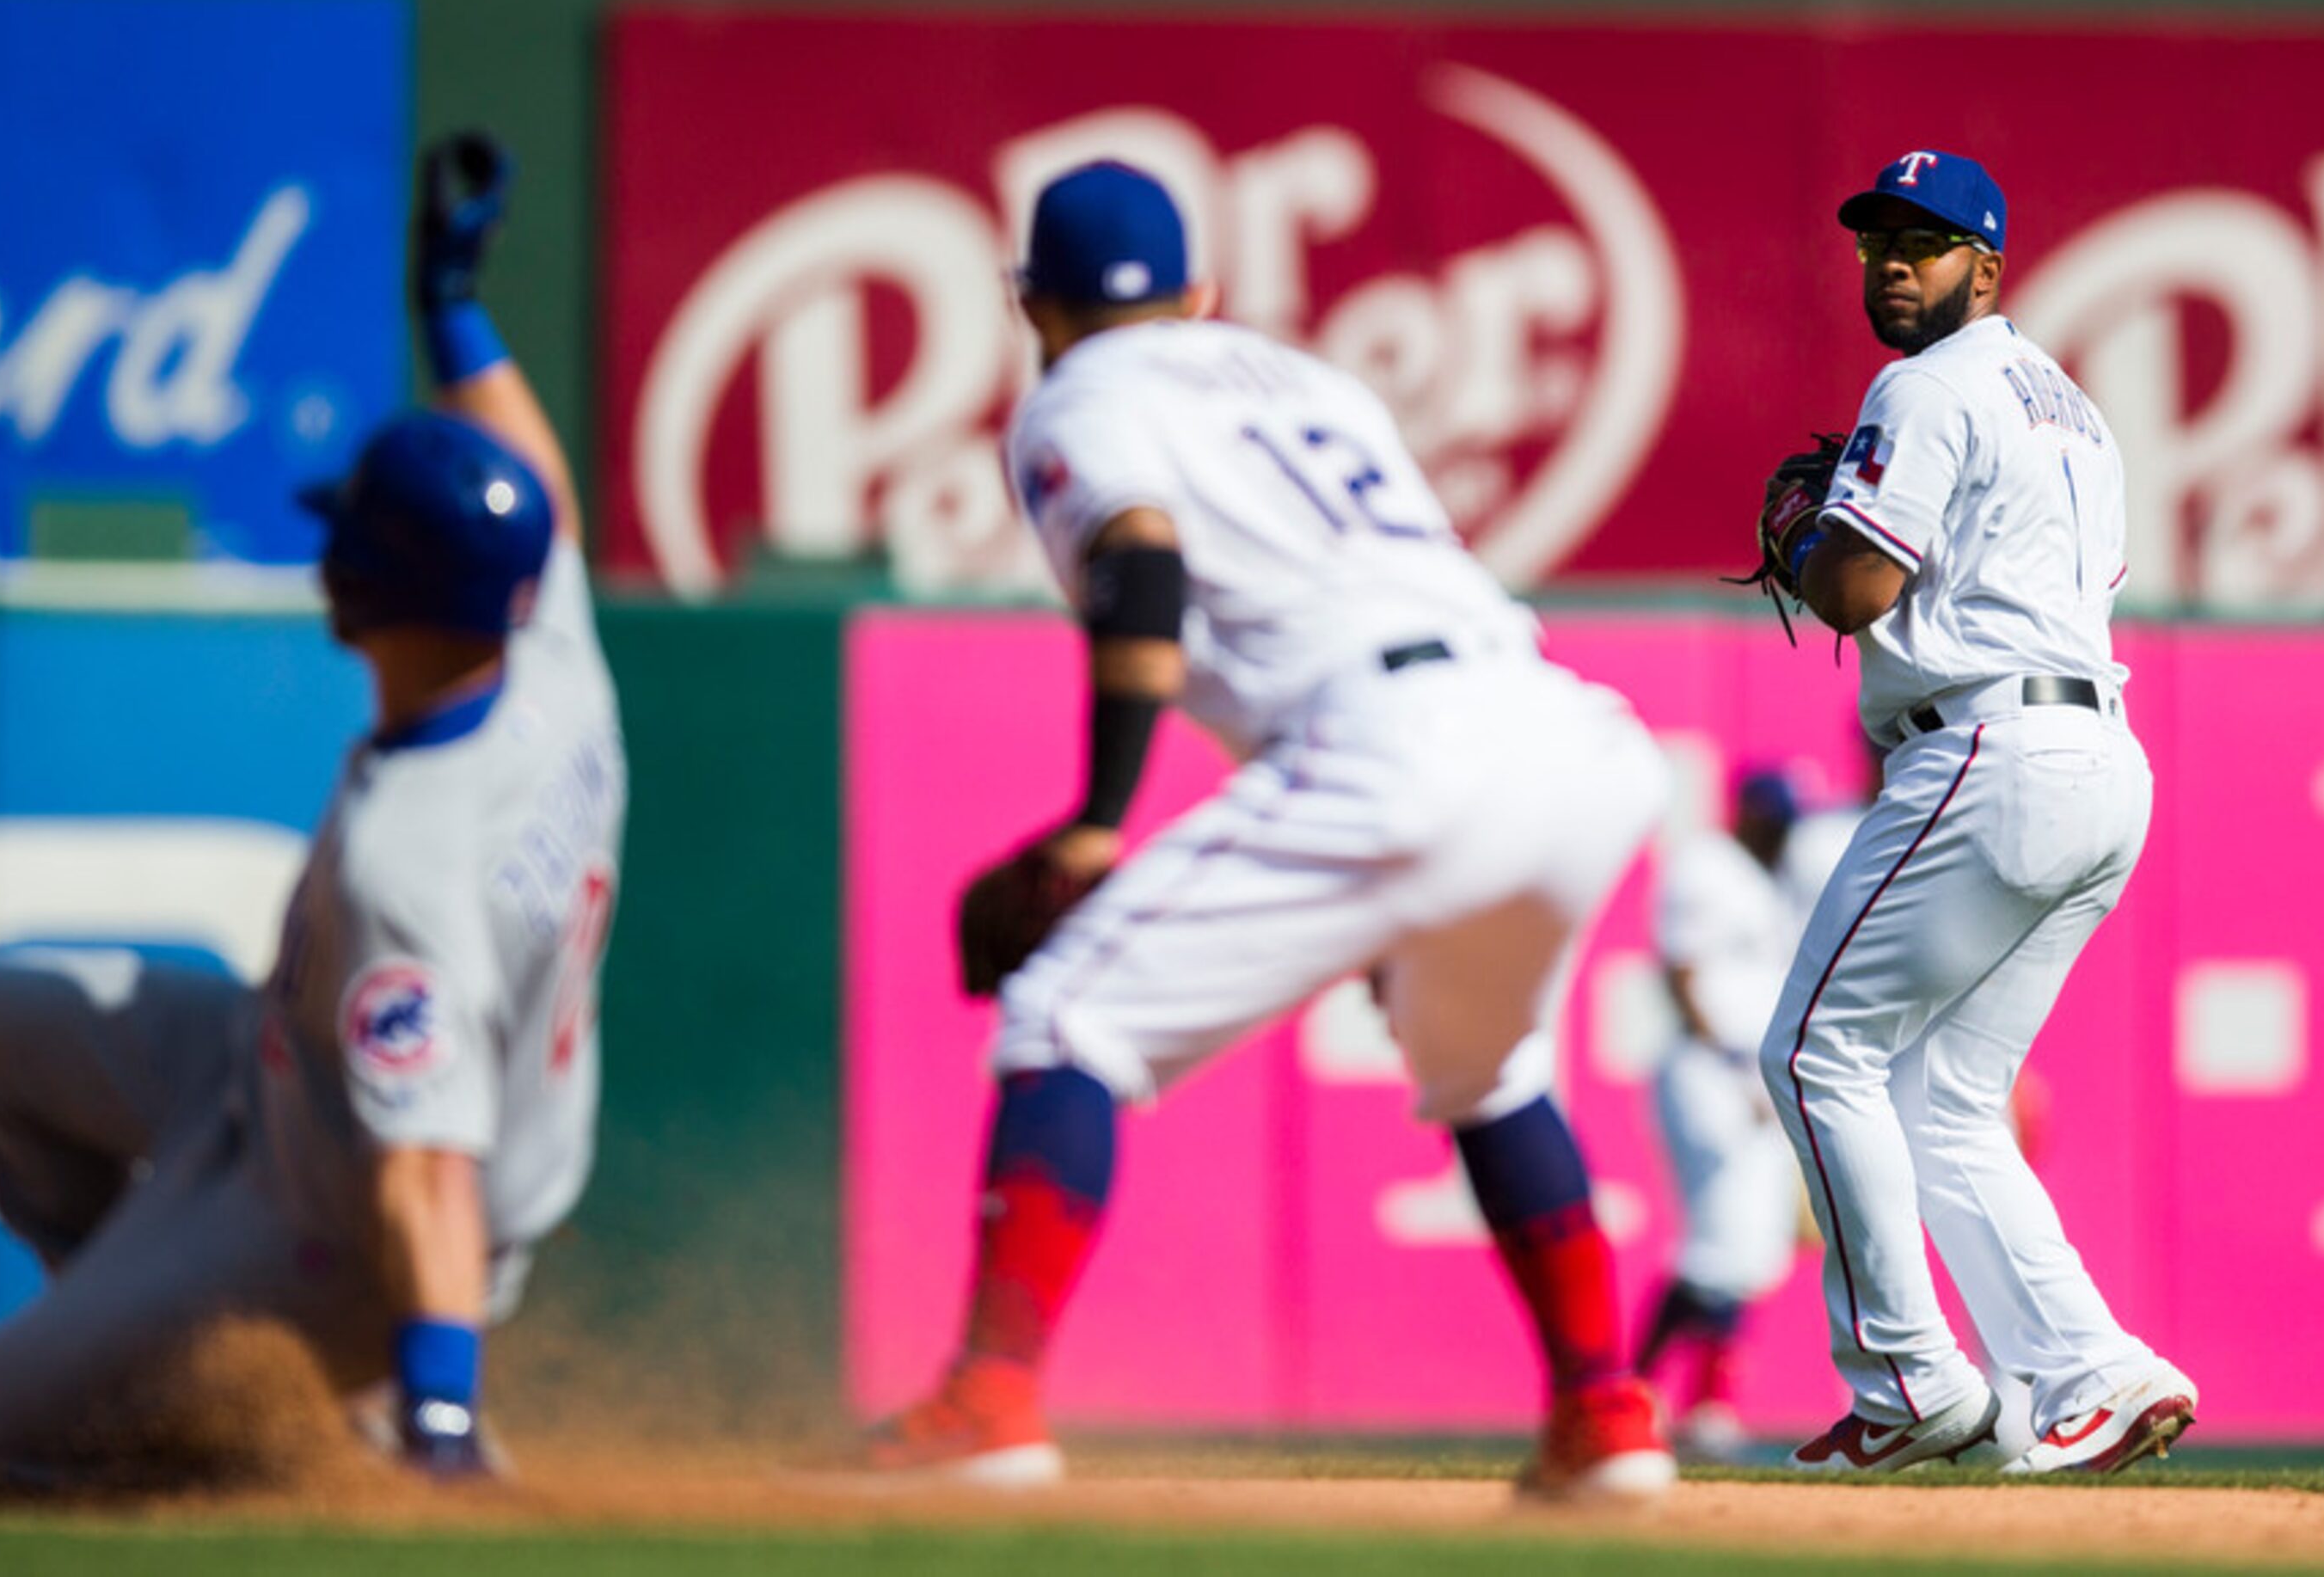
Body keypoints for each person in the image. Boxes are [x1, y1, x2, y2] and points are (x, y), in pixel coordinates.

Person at [862, 161, 1675, 1500]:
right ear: (1201, 294)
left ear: (1030, 303)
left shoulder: (1078, 393)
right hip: (1566, 728)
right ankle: (1604, 1413)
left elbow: (1140, 561)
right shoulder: (1309, 378)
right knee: (1487, 1065)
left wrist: (1094, 827)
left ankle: (991, 1396)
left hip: (1399, 744)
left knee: (1065, 1019)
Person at [0, 132, 625, 1494]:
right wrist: (457, 315)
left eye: (347, 543)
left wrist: (442, 1421)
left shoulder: (407, 858)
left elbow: (424, 1171)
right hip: (269, 1071)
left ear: (373, 593)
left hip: (336, 1224)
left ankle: (255, 1412)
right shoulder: (547, 654)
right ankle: (134, 1317)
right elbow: (541, 500)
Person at [1756, 149, 2192, 1476]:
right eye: (1877, 237)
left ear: (1985, 266)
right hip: (2101, 758)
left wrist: (1803, 542)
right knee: (1945, 1092)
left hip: (1988, 747)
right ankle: (2095, 1367)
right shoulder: (2076, 409)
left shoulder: (1925, 385)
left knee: (1813, 1052)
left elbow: (1853, 593)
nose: (1893, 259)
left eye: (1924, 240)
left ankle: (1910, 1378)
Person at [1635, 770, 1804, 1461]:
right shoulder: (1709, 864)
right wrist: (1734, 1067)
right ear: (1742, 810)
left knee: (1753, 1246)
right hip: (1713, 1068)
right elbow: (1682, 972)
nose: (1780, 827)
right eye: (1770, 814)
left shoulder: (1765, 881)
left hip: (1752, 1073)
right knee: (1722, 1239)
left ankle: (1690, 1403)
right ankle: (1635, 1390)